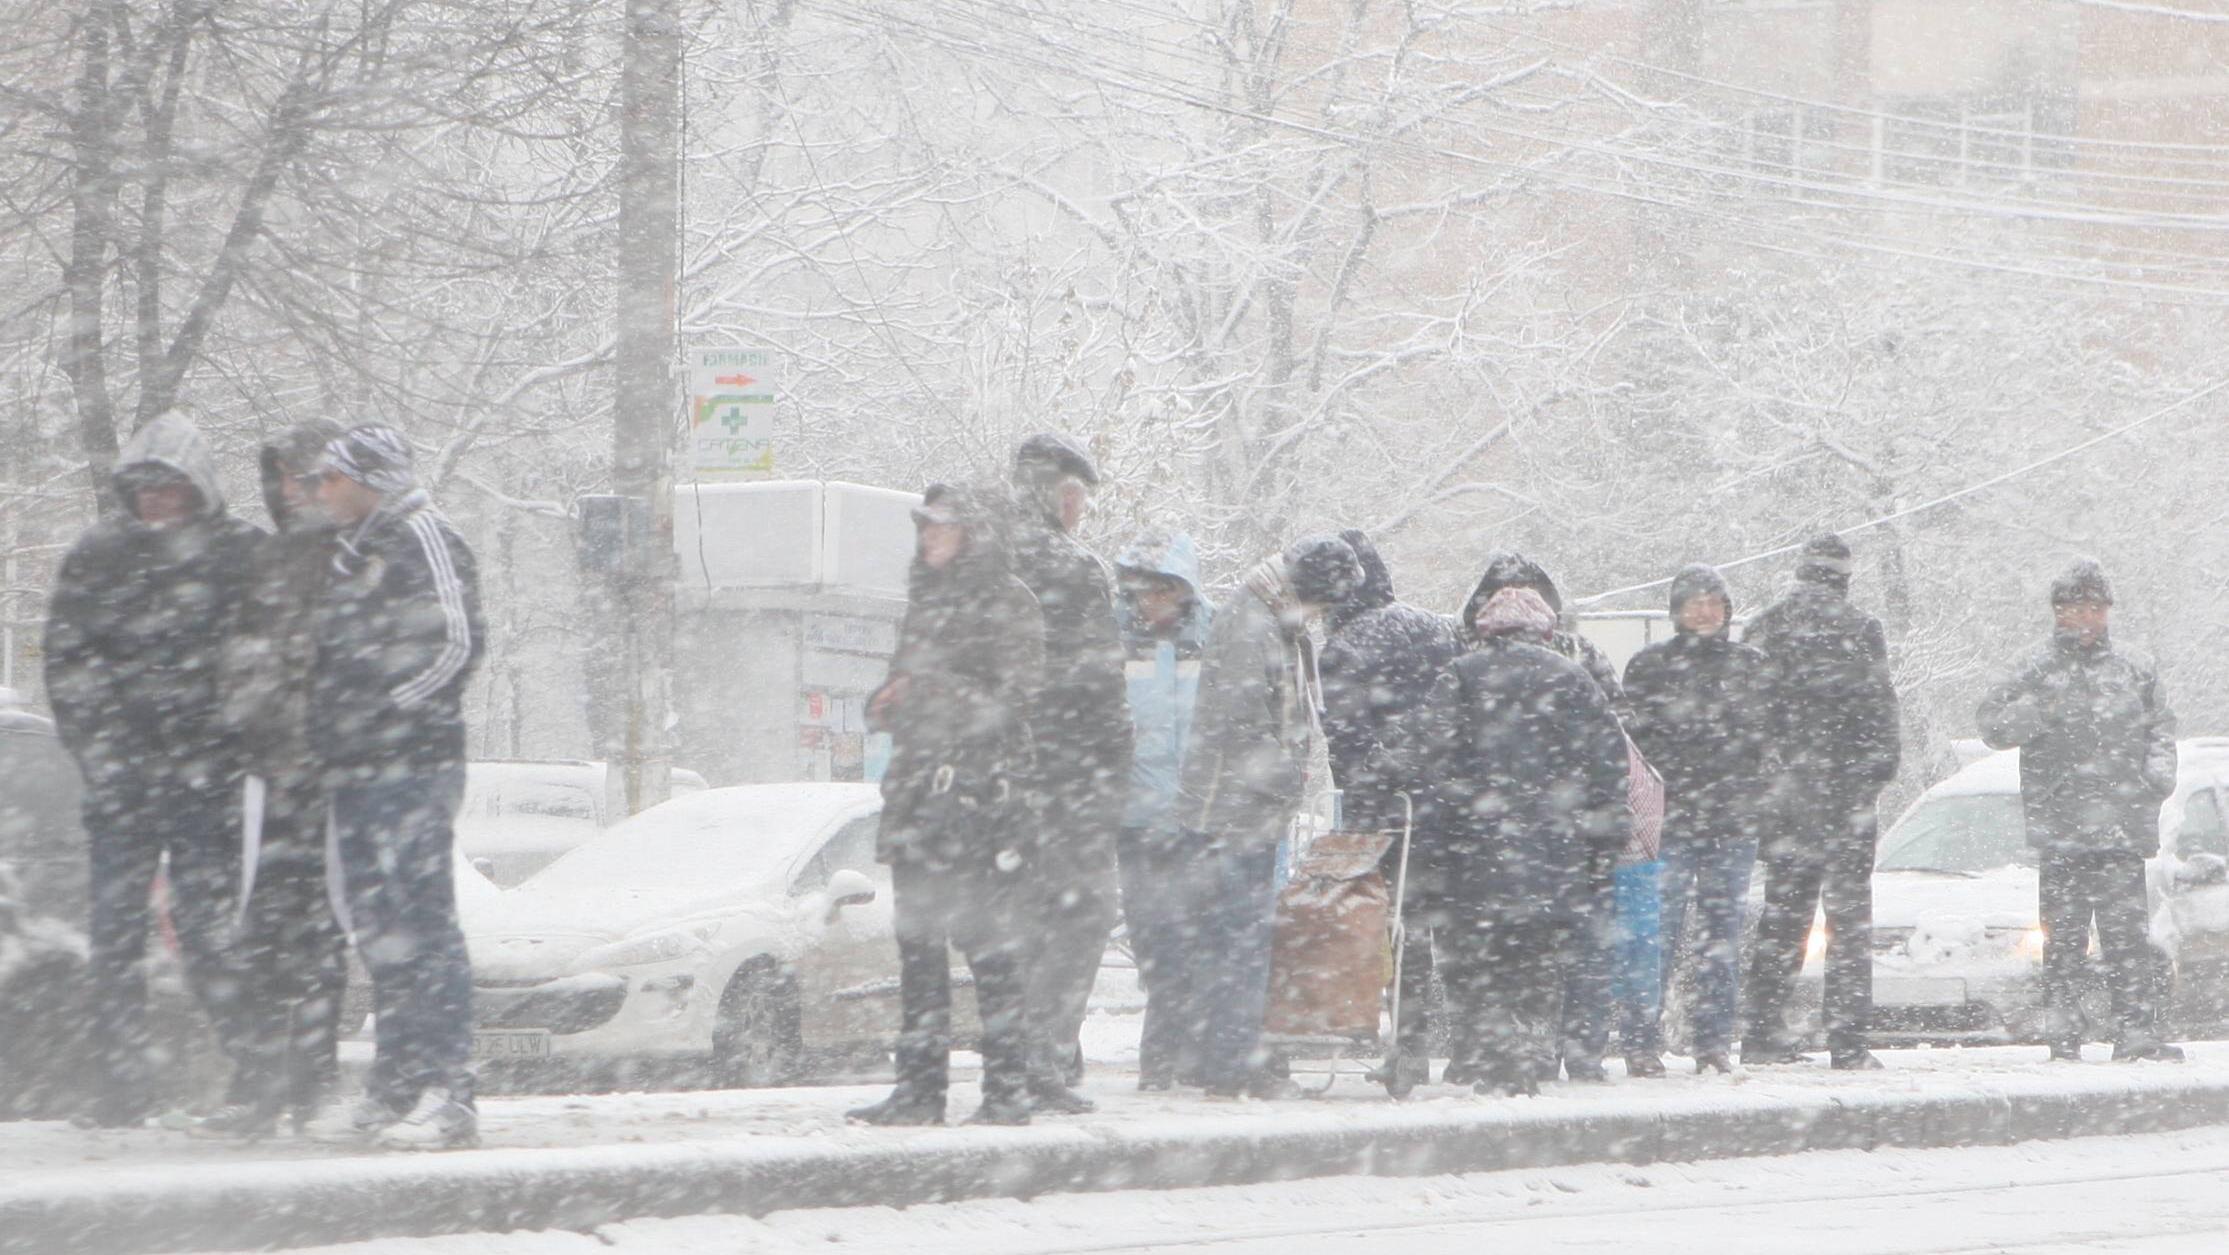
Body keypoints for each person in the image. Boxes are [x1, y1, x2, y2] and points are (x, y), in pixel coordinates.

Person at [42, 414, 263, 1127]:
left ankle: (251, 1068)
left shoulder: (240, 556)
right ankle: (119, 1083)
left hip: (208, 781)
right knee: (113, 933)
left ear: (198, 489)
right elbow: (69, 662)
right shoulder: (98, 557)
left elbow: (266, 659)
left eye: (169, 489)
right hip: (123, 781)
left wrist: (227, 740)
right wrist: (103, 751)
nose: (156, 502)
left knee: (207, 929)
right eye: (144, 490)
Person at [298, 425, 485, 1149]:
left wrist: (385, 713)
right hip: (356, 770)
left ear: (369, 478)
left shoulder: (424, 536)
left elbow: (459, 644)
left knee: (426, 924)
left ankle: (452, 1086)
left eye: (330, 479)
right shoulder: (355, 552)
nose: (319, 492)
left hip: (411, 765)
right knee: (379, 929)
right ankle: (398, 1078)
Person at [847, 484, 1046, 1126]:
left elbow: (1012, 700)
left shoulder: (1009, 601)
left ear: (975, 534)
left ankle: (1007, 1089)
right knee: (919, 947)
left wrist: (927, 691)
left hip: (981, 800)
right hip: (918, 796)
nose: (929, 537)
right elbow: (914, 686)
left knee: (989, 949)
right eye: (924, 526)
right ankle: (919, 1089)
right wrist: (888, 700)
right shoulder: (925, 601)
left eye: (943, 526)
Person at [187, 421, 353, 1138]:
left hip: (329, 775)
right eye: (284, 475)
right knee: (260, 930)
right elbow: (246, 654)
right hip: (265, 773)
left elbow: (344, 658)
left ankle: (310, 1079)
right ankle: (262, 1078)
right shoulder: (274, 556)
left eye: (306, 474)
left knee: (319, 933)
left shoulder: (351, 555)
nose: (293, 489)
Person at [1418, 586, 1629, 1097]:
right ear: (1545, 630)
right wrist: (1601, 843)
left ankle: (1482, 1053)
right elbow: (1610, 767)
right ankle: (1530, 1054)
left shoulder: (1461, 675)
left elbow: (1432, 758)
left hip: (1475, 850)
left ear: (1486, 629)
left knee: (1478, 955)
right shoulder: (1573, 678)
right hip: (1554, 851)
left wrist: (1442, 828)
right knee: (1534, 957)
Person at [1177, 535, 1360, 1099]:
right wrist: (1291, 776)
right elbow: (1241, 724)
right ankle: (1232, 1063)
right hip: (1231, 813)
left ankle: (1222, 1057)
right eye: (1324, 607)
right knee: (1240, 941)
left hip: (1243, 810)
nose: (1322, 618)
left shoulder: (1270, 620)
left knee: (1232, 940)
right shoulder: (1253, 627)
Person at [1977, 559, 2181, 1064]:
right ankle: (2063, 1035)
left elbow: (2162, 728)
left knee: (2126, 939)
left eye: (2096, 608)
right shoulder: (2036, 668)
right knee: (2064, 940)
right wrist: (2039, 711)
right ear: (2057, 612)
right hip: (2062, 830)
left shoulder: (2134, 667)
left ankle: (2134, 1032)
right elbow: (1992, 725)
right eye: (2075, 608)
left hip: (2121, 829)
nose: (2087, 618)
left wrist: (2156, 777)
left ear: (2108, 612)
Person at [1459, 551, 1643, 1082]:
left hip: (1508, 832)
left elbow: (1616, 730)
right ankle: (1560, 1050)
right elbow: (1615, 739)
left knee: (1527, 947)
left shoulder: (1472, 663)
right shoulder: (1573, 664)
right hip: (1564, 831)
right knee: (1567, 942)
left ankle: (1540, 1050)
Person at [1742, 534, 1903, 1071]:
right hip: (1844, 801)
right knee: (1848, 925)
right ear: (1843, 577)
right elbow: (1881, 715)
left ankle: (1763, 1031)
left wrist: (1771, 784)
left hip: (1789, 802)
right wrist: (1869, 780)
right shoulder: (1860, 631)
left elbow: (1752, 721)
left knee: (1783, 919)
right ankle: (1849, 1041)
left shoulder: (1765, 629)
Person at [1008, 433, 1132, 1110]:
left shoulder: (982, 556)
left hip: (1000, 772)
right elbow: (1097, 682)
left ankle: (1014, 1053)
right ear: (1059, 495)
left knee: (1021, 915)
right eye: (1078, 496)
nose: (1081, 510)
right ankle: (1046, 1056)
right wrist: (1112, 770)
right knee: (1083, 912)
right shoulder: (1073, 568)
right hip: (1069, 773)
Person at [1317, 529, 1462, 1089]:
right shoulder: (1438, 629)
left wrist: (1359, 803)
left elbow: (1346, 738)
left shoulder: (1348, 645)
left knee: (1395, 925)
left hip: (1389, 808)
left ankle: (1407, 1043)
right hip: (1452, 803)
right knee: (1446, 923)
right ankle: (1464, 1043)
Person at [1622, 564, 1772, 1074]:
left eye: (1713, 601)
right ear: (1676, 612)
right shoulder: (1650, 667)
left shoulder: (1751, 665)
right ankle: (1641, 1041)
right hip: (1670, 821)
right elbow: (1637, 744)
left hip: (1731, 821)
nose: (1704, 611)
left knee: (1721, 937)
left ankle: (1713, 1043)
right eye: (1694, 602)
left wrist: (1755, 787)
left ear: (1726, 609)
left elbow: (1769, 738)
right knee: (1654, 935)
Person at [1110, 530, 1213, 1091]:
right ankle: (1168, 1053)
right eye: (1142, 591)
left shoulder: (1215, 636)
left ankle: (1172, 1057)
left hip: (1199, 821)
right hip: (1139, 823)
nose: (1151, 603)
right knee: (1155, 943)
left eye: (1162, 591)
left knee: (1194, 941)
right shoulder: (1114, 642)